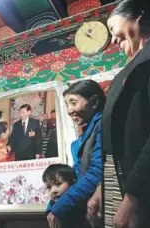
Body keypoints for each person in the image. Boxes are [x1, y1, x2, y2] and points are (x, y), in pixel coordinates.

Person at [87, 0, 150, 228]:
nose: (113, 40)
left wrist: (134, 197)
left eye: (113, 27)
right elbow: (117, 144)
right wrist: (103, 186)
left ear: (138, 17)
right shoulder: (137, 65)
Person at [46, 80, 106, 228]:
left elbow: (96, 173)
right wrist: (53, 205)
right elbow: (76, 175)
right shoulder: (87, 133)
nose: (69, 110)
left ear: (94, 102)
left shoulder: (103, 125)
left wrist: (59, 208)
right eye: (67, 105)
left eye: (73, 102)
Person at [43, 164, 88, 228]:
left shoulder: (81, 207)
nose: (53, 190)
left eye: (58, 184)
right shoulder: (52, 210)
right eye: (49, 187)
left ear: (73, 183)